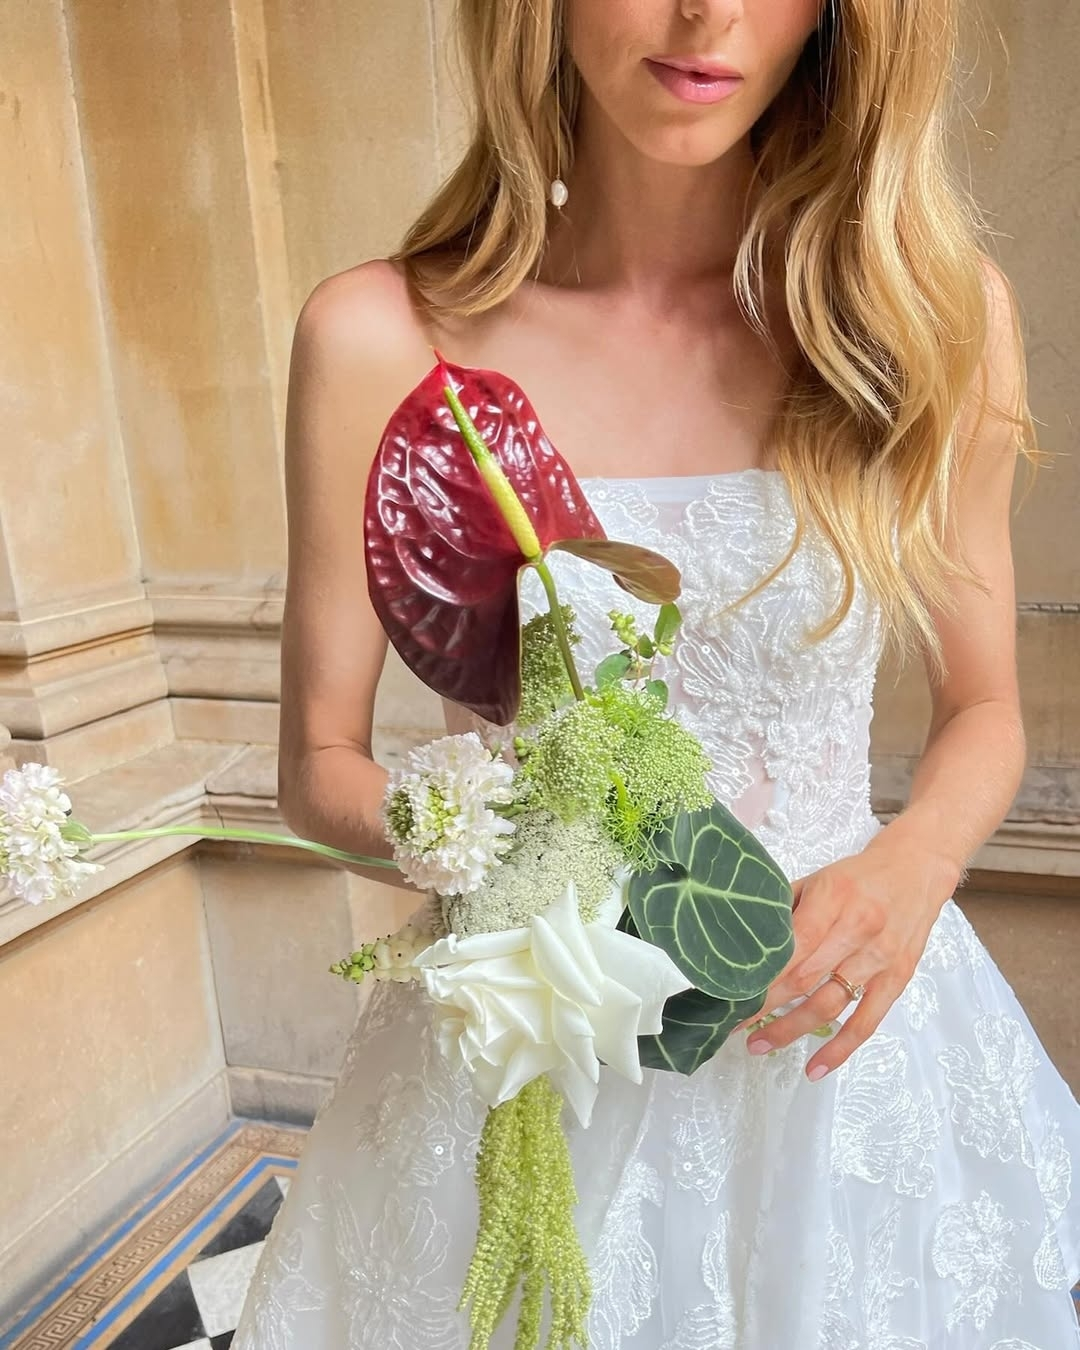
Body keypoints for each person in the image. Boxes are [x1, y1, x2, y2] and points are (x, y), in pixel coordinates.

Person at [233, 0, 1080, 1345]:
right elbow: (317, 767)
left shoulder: (929, 319)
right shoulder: (382, 337)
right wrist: (505, 853)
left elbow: (984, 711)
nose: (709, 14)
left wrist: (913, 865)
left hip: (831, 1045)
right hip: (536, 1046)